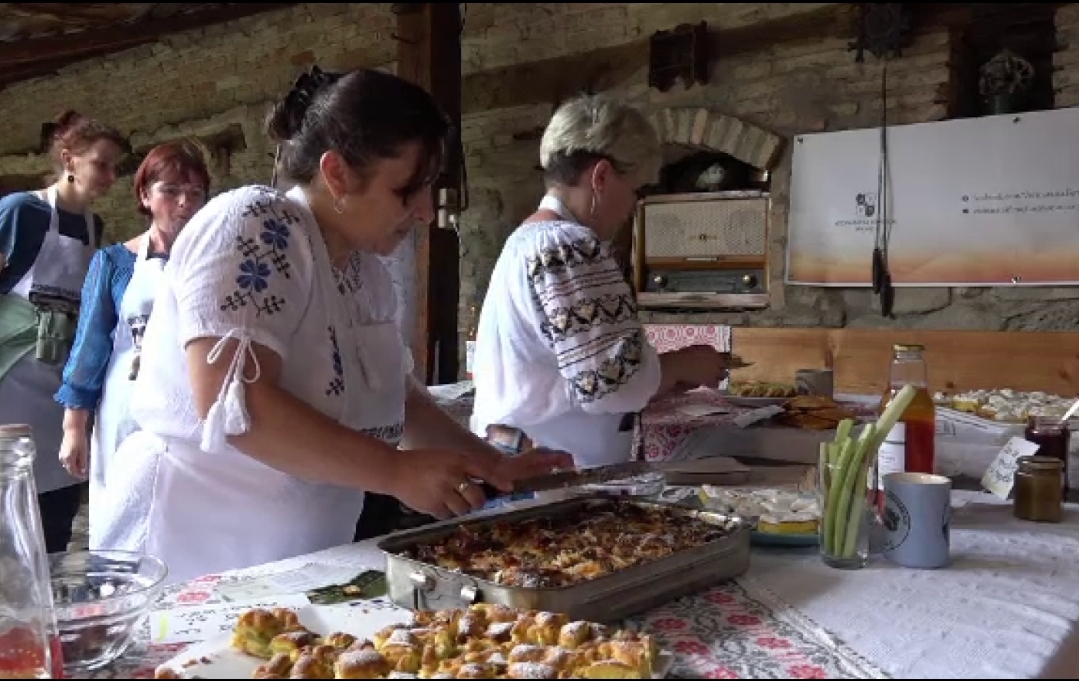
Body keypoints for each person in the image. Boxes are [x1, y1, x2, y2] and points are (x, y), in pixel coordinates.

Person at [93, 66, 572, 583]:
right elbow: (236, 404)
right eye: (407, 190)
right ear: (337, 173)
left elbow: (400, 400)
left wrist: (490, 463)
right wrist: (395, 471)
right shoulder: (257, 225)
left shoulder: (365, 270)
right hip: (189, 546)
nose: (423, 213)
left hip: (298, 553)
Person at [472, 93, 732, 468]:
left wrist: (661, 375)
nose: (631, 207)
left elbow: (582, 376)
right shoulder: (569, 246)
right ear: (602, 177)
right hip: (555, 476)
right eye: (634, 189)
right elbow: (610, 387)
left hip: (524, 458)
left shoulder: (527, 240)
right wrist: (683, 365)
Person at [54, 141, 211, 549]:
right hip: (125, 409)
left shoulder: (214, 263)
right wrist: (75, 426)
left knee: (185, 522)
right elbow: (89, 347)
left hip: (187, 409)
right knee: (124, 519)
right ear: (145, 195)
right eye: (171, 191)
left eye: (195, 194)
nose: (184, 203)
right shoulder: (114, 263)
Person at [0, 109, 127, 554]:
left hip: (58, 392)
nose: (112, 177)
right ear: (69, 159)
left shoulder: (95, 229)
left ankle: (46, 616)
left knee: (53, 520)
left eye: (116, 167)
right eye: (102, 164)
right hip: (11, 384)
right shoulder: (23, 212)